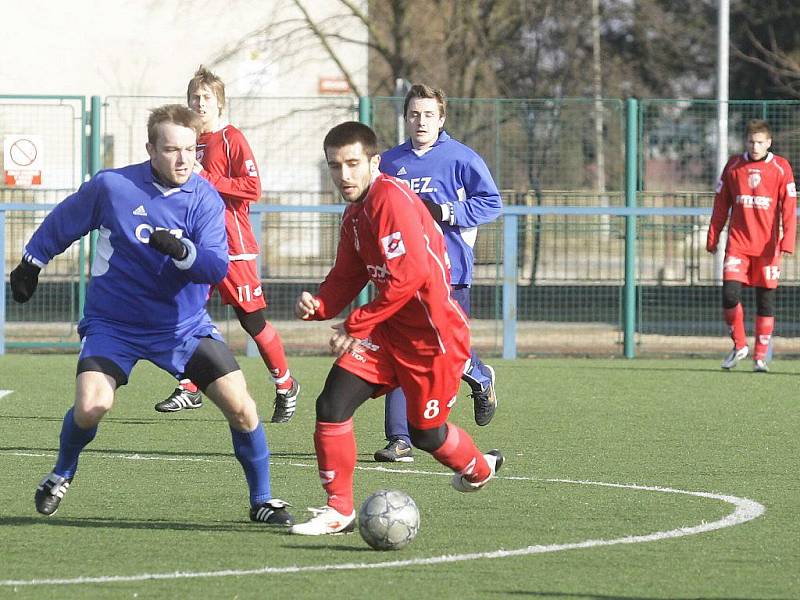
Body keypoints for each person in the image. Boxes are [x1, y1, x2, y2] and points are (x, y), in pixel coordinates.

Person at [9, 104, 293, 526]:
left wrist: (183, 252)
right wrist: (32, 260)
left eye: (191, 149)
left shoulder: (205, 198)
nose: (183, 160)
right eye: (171, 149)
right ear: (150, 149)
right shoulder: (114, 186)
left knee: (243, 408)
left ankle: (263, 500)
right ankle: (61, 473)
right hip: (114, 326)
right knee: (91, 406)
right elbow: (66, 219)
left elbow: (216, 265)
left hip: (183, 328)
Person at [288, 121, 503, 536]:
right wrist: (320, 304)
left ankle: (478, 468)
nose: (344, 175)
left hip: (434, 341)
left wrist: (354, 322)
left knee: (427, 435)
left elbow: (411, 277)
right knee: (332, 403)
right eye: (335, 166)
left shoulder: (392, 200)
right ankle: (340, 510)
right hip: (388, 335)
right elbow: (347, 275)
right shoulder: (354, 215)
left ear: (374, 162)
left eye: (352, 163)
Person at [154, 66, 299, 422]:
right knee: (181, 314)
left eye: (206, 98)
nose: (199, 103)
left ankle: (285, 384)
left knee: (252, 322)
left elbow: (252, 188)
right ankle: (190, 386)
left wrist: (208, 177)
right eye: (194, 97)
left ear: (220, 103)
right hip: (196, 246)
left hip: (233, 246)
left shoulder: (231, 138)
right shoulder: (188, 144)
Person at [372, 84, 503, 463]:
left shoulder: (461, 158)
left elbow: (491, 202)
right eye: (415, 114)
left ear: (441, 119)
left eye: (429, 114)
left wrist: (447, 213)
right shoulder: (390, 163)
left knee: (446, 351)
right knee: (400, 351)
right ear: (406, 118)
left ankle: (479, 376)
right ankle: (399, 440)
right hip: (402, 274)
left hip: (449, 272)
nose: (421, 121)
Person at [706, 118, 796, 372]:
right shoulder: (734, 166)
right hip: (738, 244)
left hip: (767, 248)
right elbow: (721, 203)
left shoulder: (781, 167)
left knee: (765, 301)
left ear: (769, 143)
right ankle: (739, 345)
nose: (755, 147)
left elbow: (788, 207)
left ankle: (760, 357)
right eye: (751, 142)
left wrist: (787, 240)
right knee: (729, 294)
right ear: (746, 142)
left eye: (760, 142)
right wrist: (713, 237)